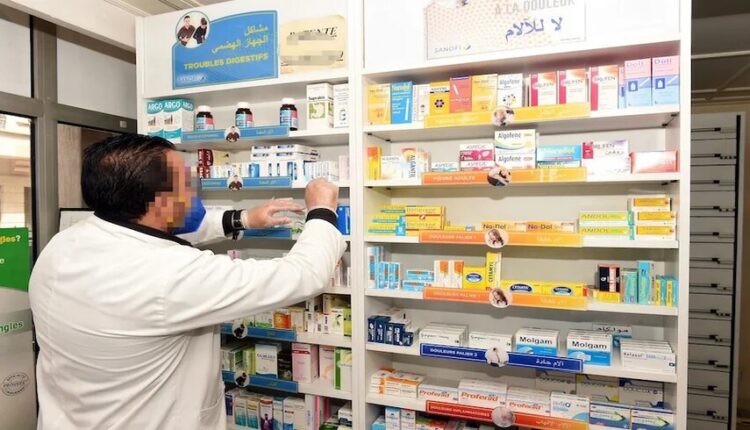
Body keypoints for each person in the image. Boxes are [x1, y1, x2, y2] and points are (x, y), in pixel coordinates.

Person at [29, 134, 346, 429]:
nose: (195, 192)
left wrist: (242, 219)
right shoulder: (168, 275)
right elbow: (303, 274)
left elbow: (153, 233)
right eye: (186, 184)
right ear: (161, 202)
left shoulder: (61, 246)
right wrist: (322, 211)